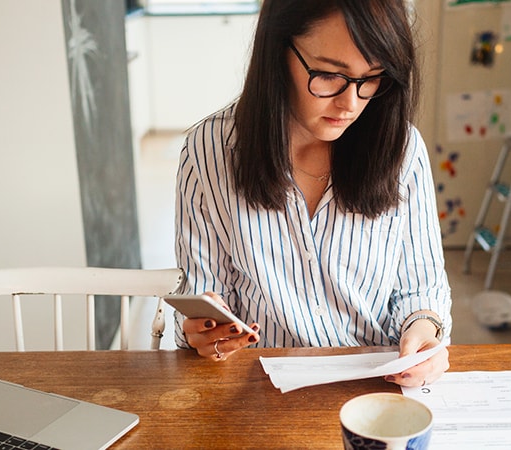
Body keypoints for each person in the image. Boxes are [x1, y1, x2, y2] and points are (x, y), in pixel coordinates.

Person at [172, 0, 451, 388]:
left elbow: (421, 287)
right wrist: (204, 333)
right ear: (278, 51)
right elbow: (204, 298)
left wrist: (424, 328)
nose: (351, 104)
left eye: (372, 77)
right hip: (260, 389)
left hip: (376, 387)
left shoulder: (401, 149)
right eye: (329, 75)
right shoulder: (209, 152)